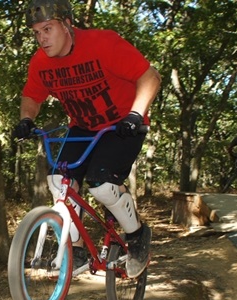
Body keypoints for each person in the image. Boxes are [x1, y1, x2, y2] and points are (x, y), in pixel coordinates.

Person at [12, 0, 161, 279]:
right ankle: (77, 250)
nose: (42, 38)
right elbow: (32, 95)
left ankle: (137, 235)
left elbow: (150, 76)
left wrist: (135, 114)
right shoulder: (41, 62)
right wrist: (26, 120)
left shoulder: (103, 43)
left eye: (47, 29)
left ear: (67, 25)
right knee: (58, 181)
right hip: (84, 127)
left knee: (103, 186)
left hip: (123, 125)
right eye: (36, 32)